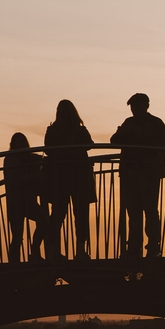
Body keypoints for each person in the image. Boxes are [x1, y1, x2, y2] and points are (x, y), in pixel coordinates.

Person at [111, 93, 165, 260]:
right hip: (131, 174)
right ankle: (135, 247)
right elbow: (114, 140)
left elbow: (158, 145)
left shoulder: (155, 124)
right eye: (133, 107)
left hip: (148, 174)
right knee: (134, 212)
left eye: (137, 106)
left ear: (146, 106)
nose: (134, 110)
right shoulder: (130, 123)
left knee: (149, 210)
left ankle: (152, 246)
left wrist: (132, 137)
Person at [43, 100, 96, 260]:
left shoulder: (52, 130)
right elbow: (89, 145)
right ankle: (80, 251)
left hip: (60, 176)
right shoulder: (79, 130)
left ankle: (52, 250)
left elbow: (48, 149)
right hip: (79, 175)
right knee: (81, 213)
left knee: (58, 213)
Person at [4, 132, 48, 263]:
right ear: (13, 145)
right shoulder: (10, 159)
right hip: (15, 202)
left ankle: (34, 251)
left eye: (23, 141)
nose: (21, 144)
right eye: (18, 142)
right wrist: (32, 177)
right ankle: (14, 263)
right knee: (17, 236)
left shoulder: (31, 157)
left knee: (43, 220)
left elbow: (44, 160)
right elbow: (13, 179)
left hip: (29, 201)